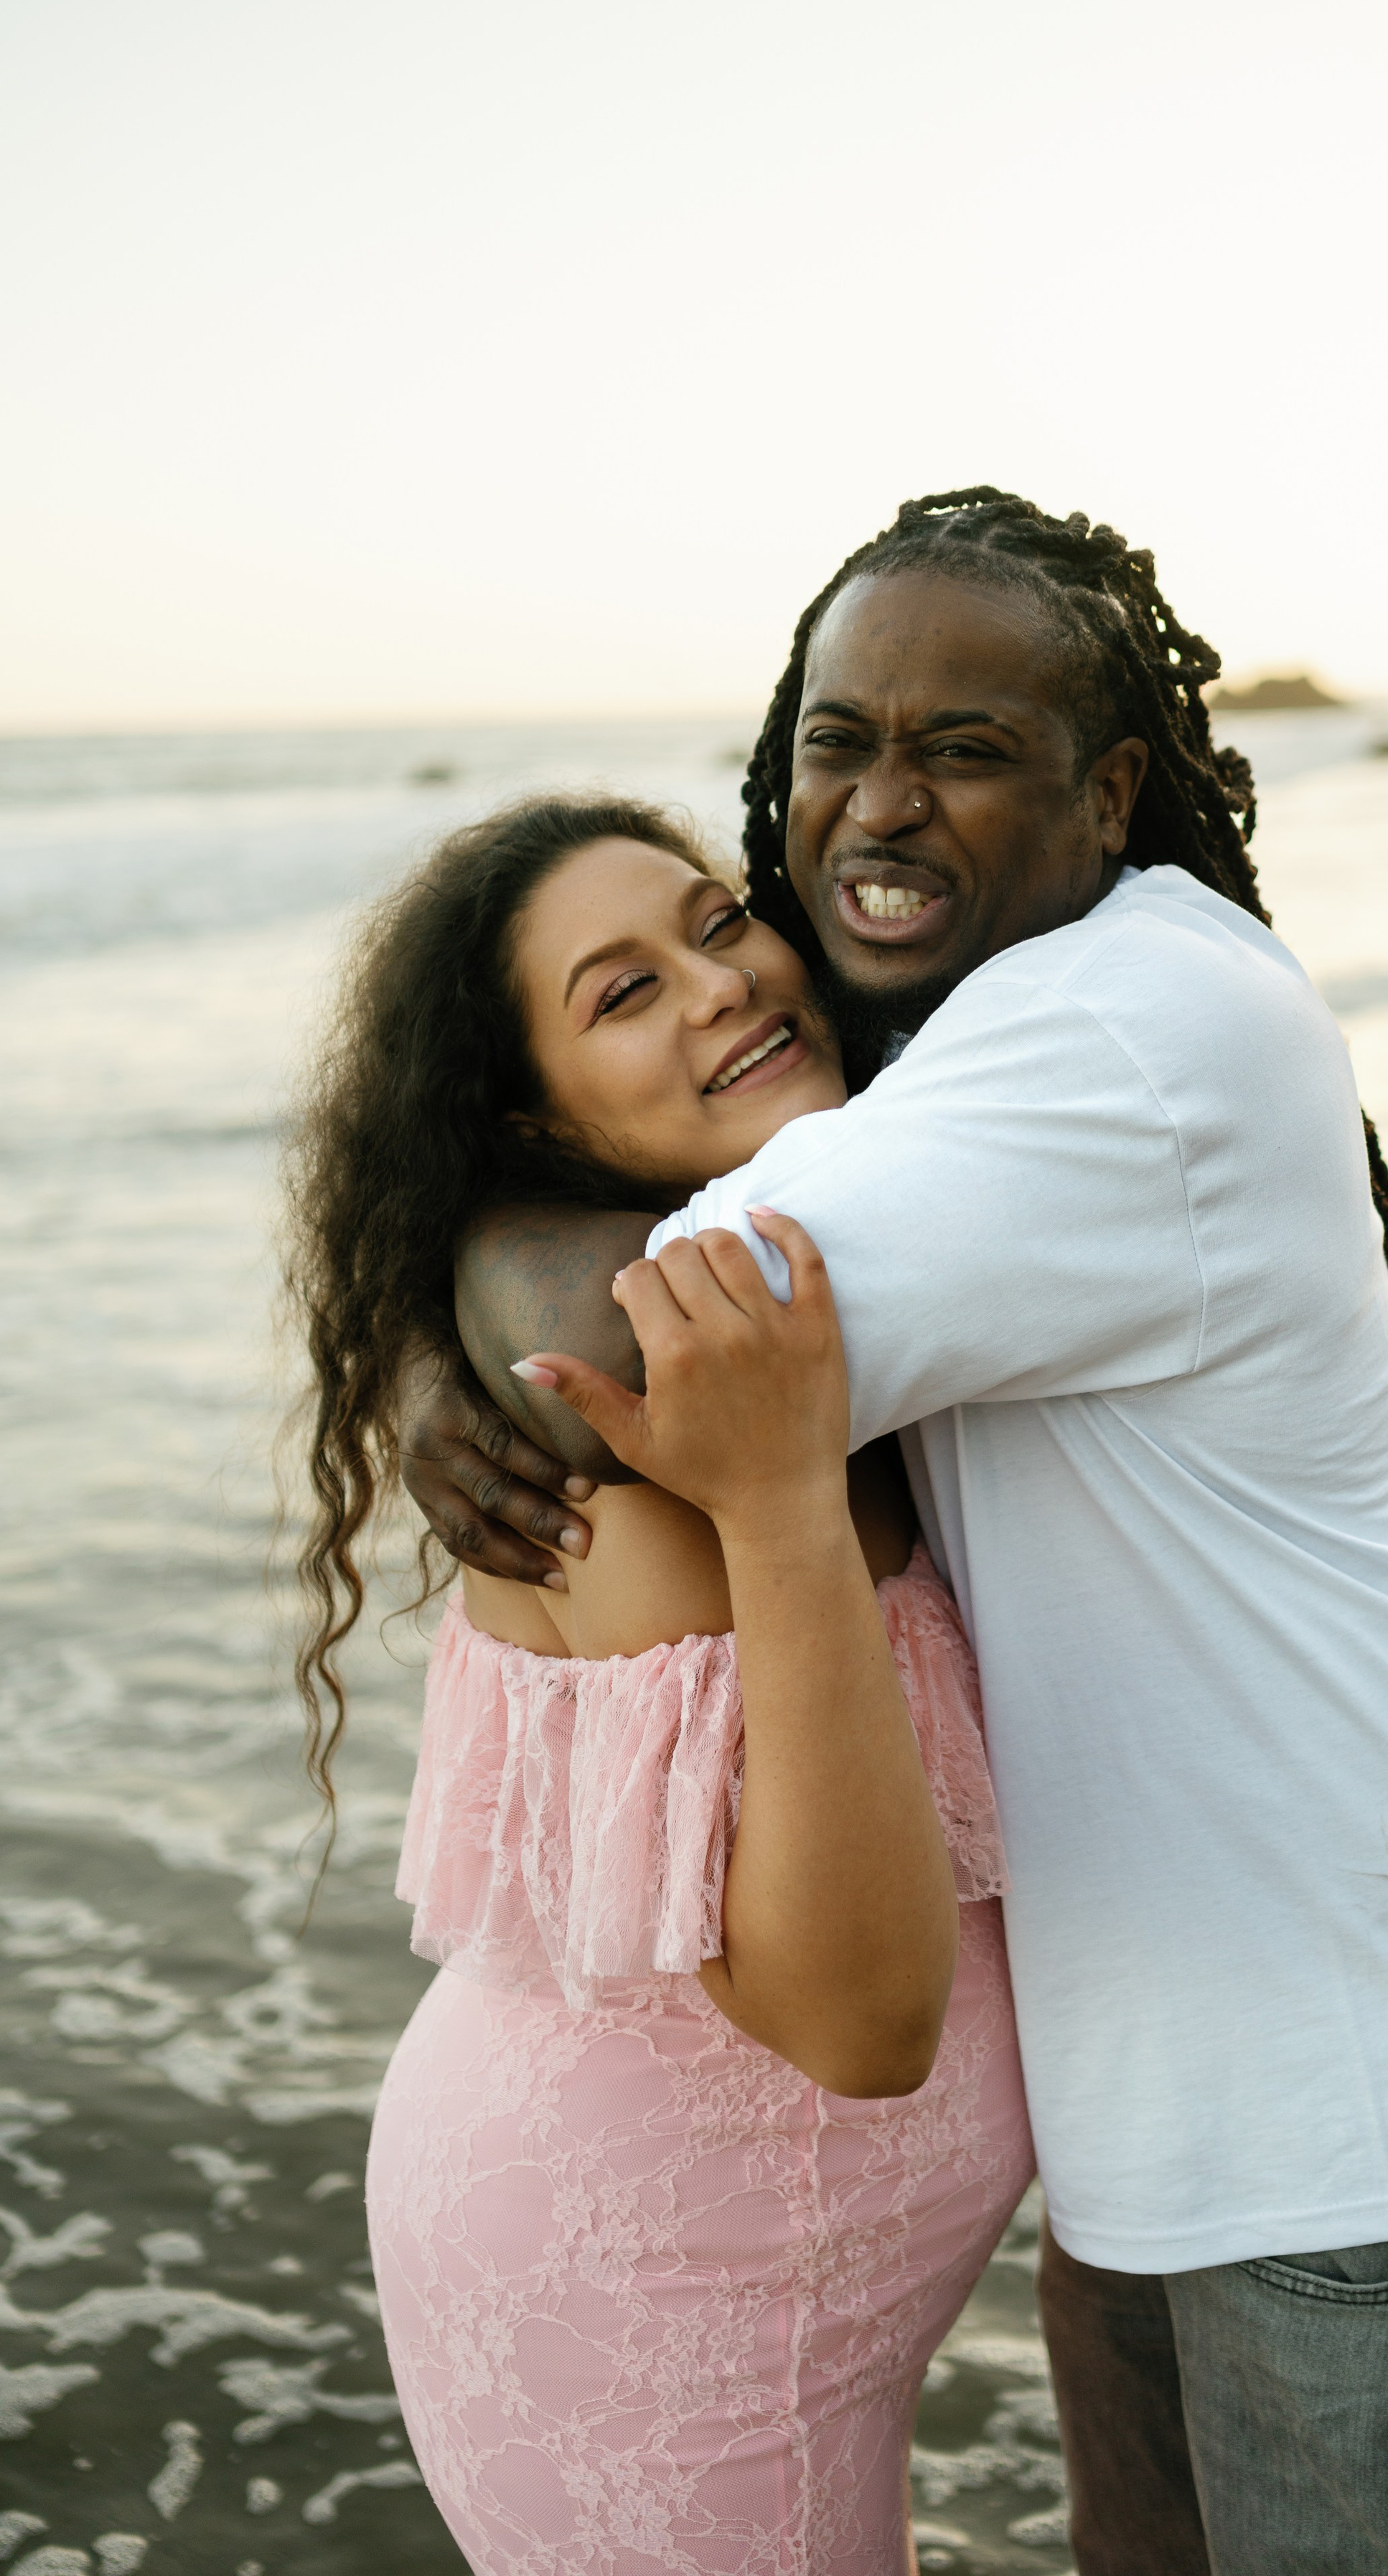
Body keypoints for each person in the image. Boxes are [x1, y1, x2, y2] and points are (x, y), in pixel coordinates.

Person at [402, 489, 1388, 2574]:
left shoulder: (1111, 1043)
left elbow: (628, 1344)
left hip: (1358, 2117)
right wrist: (454, 1321)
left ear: (1108, 789)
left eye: (964, 750)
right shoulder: (961, 1052)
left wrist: (440, 1311)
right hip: (1188, 2094)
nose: (876, 809)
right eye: (833, 742)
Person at [282, 796, 1033, 2576]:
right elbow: (855, 2029)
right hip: (659, 2305)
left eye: (716, 924)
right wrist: (770, 1506)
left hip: (758, 2288)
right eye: (623, 993)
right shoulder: (621, 1462)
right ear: (538, 1122)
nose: (718, 986)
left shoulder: (797, 1314)